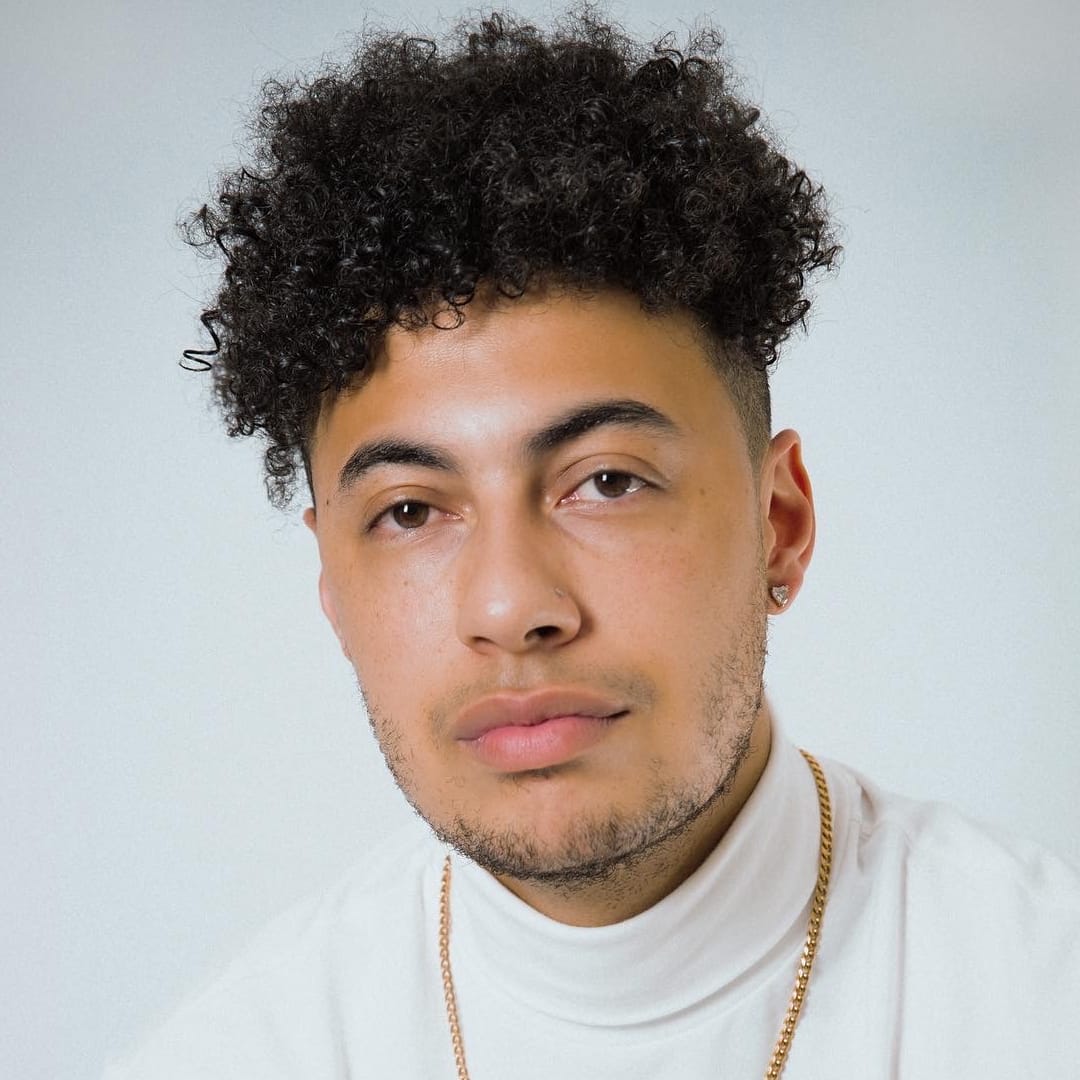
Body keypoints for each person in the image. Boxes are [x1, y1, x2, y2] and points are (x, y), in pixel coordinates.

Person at [106, 9, 1080, 1078]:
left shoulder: (1042, 999)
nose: (512, 605)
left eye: (605, 482)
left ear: (780, 526)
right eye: (410, 512)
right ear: (333, 593)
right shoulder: (234, 1054)